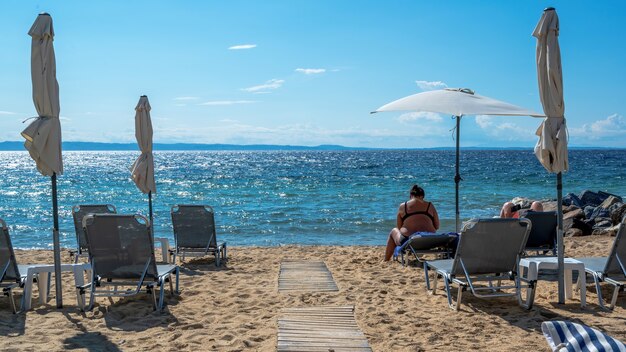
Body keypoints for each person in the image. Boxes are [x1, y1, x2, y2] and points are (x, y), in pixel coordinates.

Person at [384, 184, 440, 261]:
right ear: (423, 196)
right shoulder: (430, 205)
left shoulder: (403, 206)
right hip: (429, 242)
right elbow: (437, 226)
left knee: (393, 231)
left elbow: (399, 227)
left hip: (409, 243)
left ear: (411, 196)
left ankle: (386, 260)